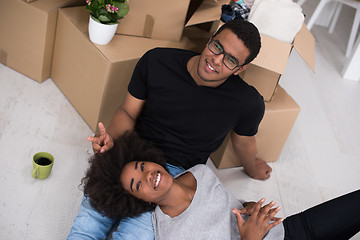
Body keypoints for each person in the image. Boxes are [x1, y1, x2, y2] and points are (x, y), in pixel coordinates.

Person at [68, 19, 271, 239]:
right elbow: (127, 111)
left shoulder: (247, 102)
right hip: (134, 158)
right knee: (86, 228)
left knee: (132, 236)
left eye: (230, 59)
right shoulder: (157, 61)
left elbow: (243, 142)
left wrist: (251, 169)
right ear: (210, 40)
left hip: (177, 179)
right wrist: (113, 142)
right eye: (217, 47)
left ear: (240, 69)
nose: (216, 60)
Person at [82, 133, 360, 240]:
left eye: (142, 166)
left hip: (291, 230)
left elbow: (230, 205)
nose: (148, 176)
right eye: (137, 184)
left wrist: (248, 207)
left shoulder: (200, 173)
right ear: (135, 200)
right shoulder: (171, 233)